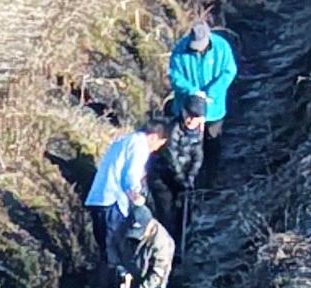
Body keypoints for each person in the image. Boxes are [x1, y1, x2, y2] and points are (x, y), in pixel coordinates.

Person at [84, 120, 171, 271]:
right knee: (114, 252)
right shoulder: (140, 146)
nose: (155, 150)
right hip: (113, 202)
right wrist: (137, 197)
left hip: (98, 199)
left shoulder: (123, 140)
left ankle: (103, 285)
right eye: (158, 145)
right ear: (154, 137)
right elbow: (131, 176)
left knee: (104, 248)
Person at [169, 22, 238, 173]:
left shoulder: (222, 47)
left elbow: (229, 71)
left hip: (214, 108)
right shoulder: (180, 49)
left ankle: (211, 176)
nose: (197, 48)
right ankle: (186, 179)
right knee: (186, 145)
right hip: (188, 108)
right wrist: (192, 92)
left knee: (212, 143)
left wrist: (212, 92)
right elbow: (174, 76)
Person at [154, 92, 208, 242]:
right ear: (183, 112)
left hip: (183, 177)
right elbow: (170, 156)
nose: (191, 120)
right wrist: (181, 179)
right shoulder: (173, 128)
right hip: (163, 177)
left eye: (195, 117)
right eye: (189, 115)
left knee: (186, 211)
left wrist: (191, 176)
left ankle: (182, 243)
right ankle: (165, 248)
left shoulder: (198, 132)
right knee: (166, 214)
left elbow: (198, 155)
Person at [109, 205, 175, 288]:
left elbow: (156, 277)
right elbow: (112, 246)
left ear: (150, 225)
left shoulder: (162, 243)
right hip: (130, 272)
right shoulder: (123, 228)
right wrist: (119, 268)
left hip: (154, 281)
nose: (135, 237)